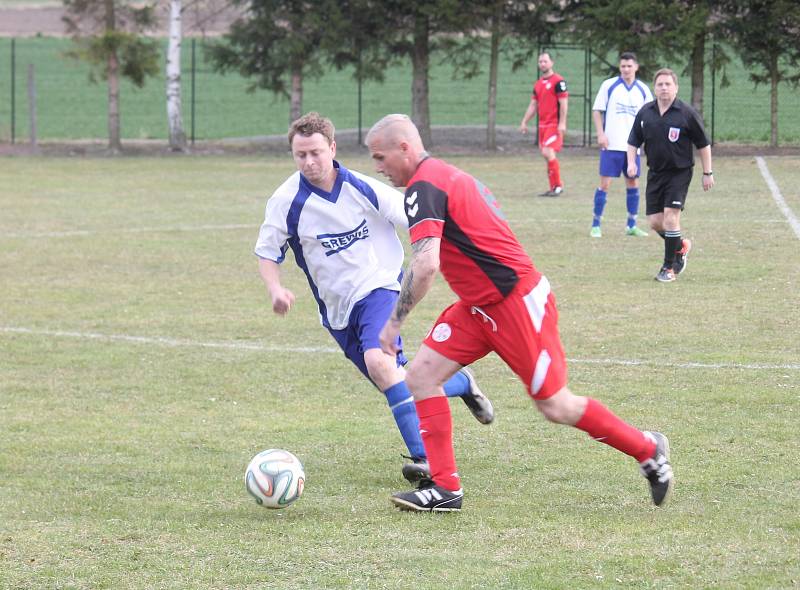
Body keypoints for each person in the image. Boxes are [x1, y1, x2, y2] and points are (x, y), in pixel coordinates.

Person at [365, 114, 674, 512]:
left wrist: (393, 324)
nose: (378, 167)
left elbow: (426, 265)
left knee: (556, 406)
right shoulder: (442, 175)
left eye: (380, 157)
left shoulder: (425, 184)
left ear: (404, 148)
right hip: (479, 307)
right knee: (421, 377)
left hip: (516, 304)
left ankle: (648, 449)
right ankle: (446, 489)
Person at [254, 112, 494, 483]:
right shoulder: (286, 201)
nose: (309, 162)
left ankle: (427, 461)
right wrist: (275, 289)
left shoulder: (363, 188)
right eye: (300, 155)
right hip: (338, 312)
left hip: (381, 288)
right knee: (396, 379)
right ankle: (460, 382)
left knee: (381, 364)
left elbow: (415, 218)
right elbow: (268, 252)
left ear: (332, 148)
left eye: (316, 152)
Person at [627, 68, 714, 282]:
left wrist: (707, 172)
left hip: (679, 172)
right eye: (660, 84)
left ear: (675, 87)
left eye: (668, 84)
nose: (664, 88)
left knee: (671, 217)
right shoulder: (645, 112)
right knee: (656, 223)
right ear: (654, 88)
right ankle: (680, 245)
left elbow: (703, 144)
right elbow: (633, 142)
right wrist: (631, 163)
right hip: (655, 173)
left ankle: (669, 268)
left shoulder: (686, 113)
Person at [590, 52, 653, 238]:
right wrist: (601, 133)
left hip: (632, 147)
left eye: (629, 66)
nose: (626, 69)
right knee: (605, 183)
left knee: (633, 182)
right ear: (620, 67)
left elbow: (650, 116)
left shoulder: (642, 89)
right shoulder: (609, 86)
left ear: (636, 67)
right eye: (623, 66)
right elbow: (597, 111)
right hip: (611, 145)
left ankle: (631, 225)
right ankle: (596, 224)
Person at [519, 52, 569, 197]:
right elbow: (533, 105)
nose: (542, 64)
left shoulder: (559, 81)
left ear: (551, 63)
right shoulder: (538, 84)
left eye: (545, 61)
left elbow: (564, 103)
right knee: (546, 155)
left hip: (554, 124)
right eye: (540, 62)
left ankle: (558, 186)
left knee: (548, 152)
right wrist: (524, 121)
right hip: (542, 126)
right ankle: (553, 187)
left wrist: (562, 123)